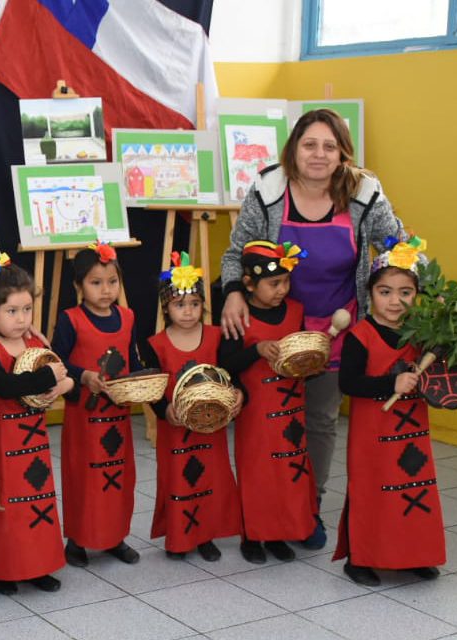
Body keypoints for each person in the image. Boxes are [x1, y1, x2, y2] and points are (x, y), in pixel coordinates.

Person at [218, 109, 408, 550]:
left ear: (342, 152)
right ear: (293, 149)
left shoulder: (364, 193)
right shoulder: (268, 190)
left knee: (319, 422)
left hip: (334, 333)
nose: (318, 155)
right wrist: (231, 292)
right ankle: (261, 513)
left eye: (328, 145)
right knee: (265, 424)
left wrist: (416, 282)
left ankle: (310, 508)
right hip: (272, 330)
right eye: (309, 145)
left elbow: (397, 245)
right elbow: (235, 254)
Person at [334, 238, 457, 585]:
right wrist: (390, 384)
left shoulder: (425, 335)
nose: (395, 301)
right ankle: (360, 558)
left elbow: (452, 374)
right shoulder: (360, 335)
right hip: (372, 437)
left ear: (417, 296)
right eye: (385, 291)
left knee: (413, 491)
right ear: (370, 293)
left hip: (412, 438)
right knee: (373, 492)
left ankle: (414, 555)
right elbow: (349, 384)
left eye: (405, 293)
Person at [0, 256, 70, 595]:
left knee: (39, 500)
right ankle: (3, 568)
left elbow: (61, 374)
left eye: (26, 310)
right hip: (1, 443)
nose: (21, 318)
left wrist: (61, 384)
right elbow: (4, 387)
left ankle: (37, 565)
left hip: (34, 443)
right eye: (11, 311)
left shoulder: (35, 344)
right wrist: (45, 377)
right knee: (6, 504)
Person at [220, 241, 319, 565]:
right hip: (257, 416)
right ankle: (253, 534)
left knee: (290, 472)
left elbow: (304, 355)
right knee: (258, 474)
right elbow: (226, 363)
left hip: (291, 413)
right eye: (274, 284)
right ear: (249, 283)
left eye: (285, 282)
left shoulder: (296, 311)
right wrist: (257, 350)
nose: (281, 290)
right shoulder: (239, 316)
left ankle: (280, 532)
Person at [140, 253, 242, 562]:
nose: (188, 312)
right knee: (179, 480)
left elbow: (230, 374)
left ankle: (205, 535)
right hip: (175, 431)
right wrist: (163, 410)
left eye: (195, 304)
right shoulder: (155, 344)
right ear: (166, 308)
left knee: (210, 479)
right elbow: (153, 387)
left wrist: (237, 392)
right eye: (180, 305)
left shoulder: (215, 336)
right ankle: (179, 536)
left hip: (211, 427)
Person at [52, 243, 141, 568]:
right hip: (84, 418)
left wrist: (140, 383)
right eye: (96, 282)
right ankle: (78, 539)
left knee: (119, 476)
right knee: (85, 478)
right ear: (78, 287)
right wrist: (84, 376)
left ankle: (115, 536)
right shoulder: (70, 320)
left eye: (112, 282)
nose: (106, 290)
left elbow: (132, 361)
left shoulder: (128, 317)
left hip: (117, 417)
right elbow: (57, 363)